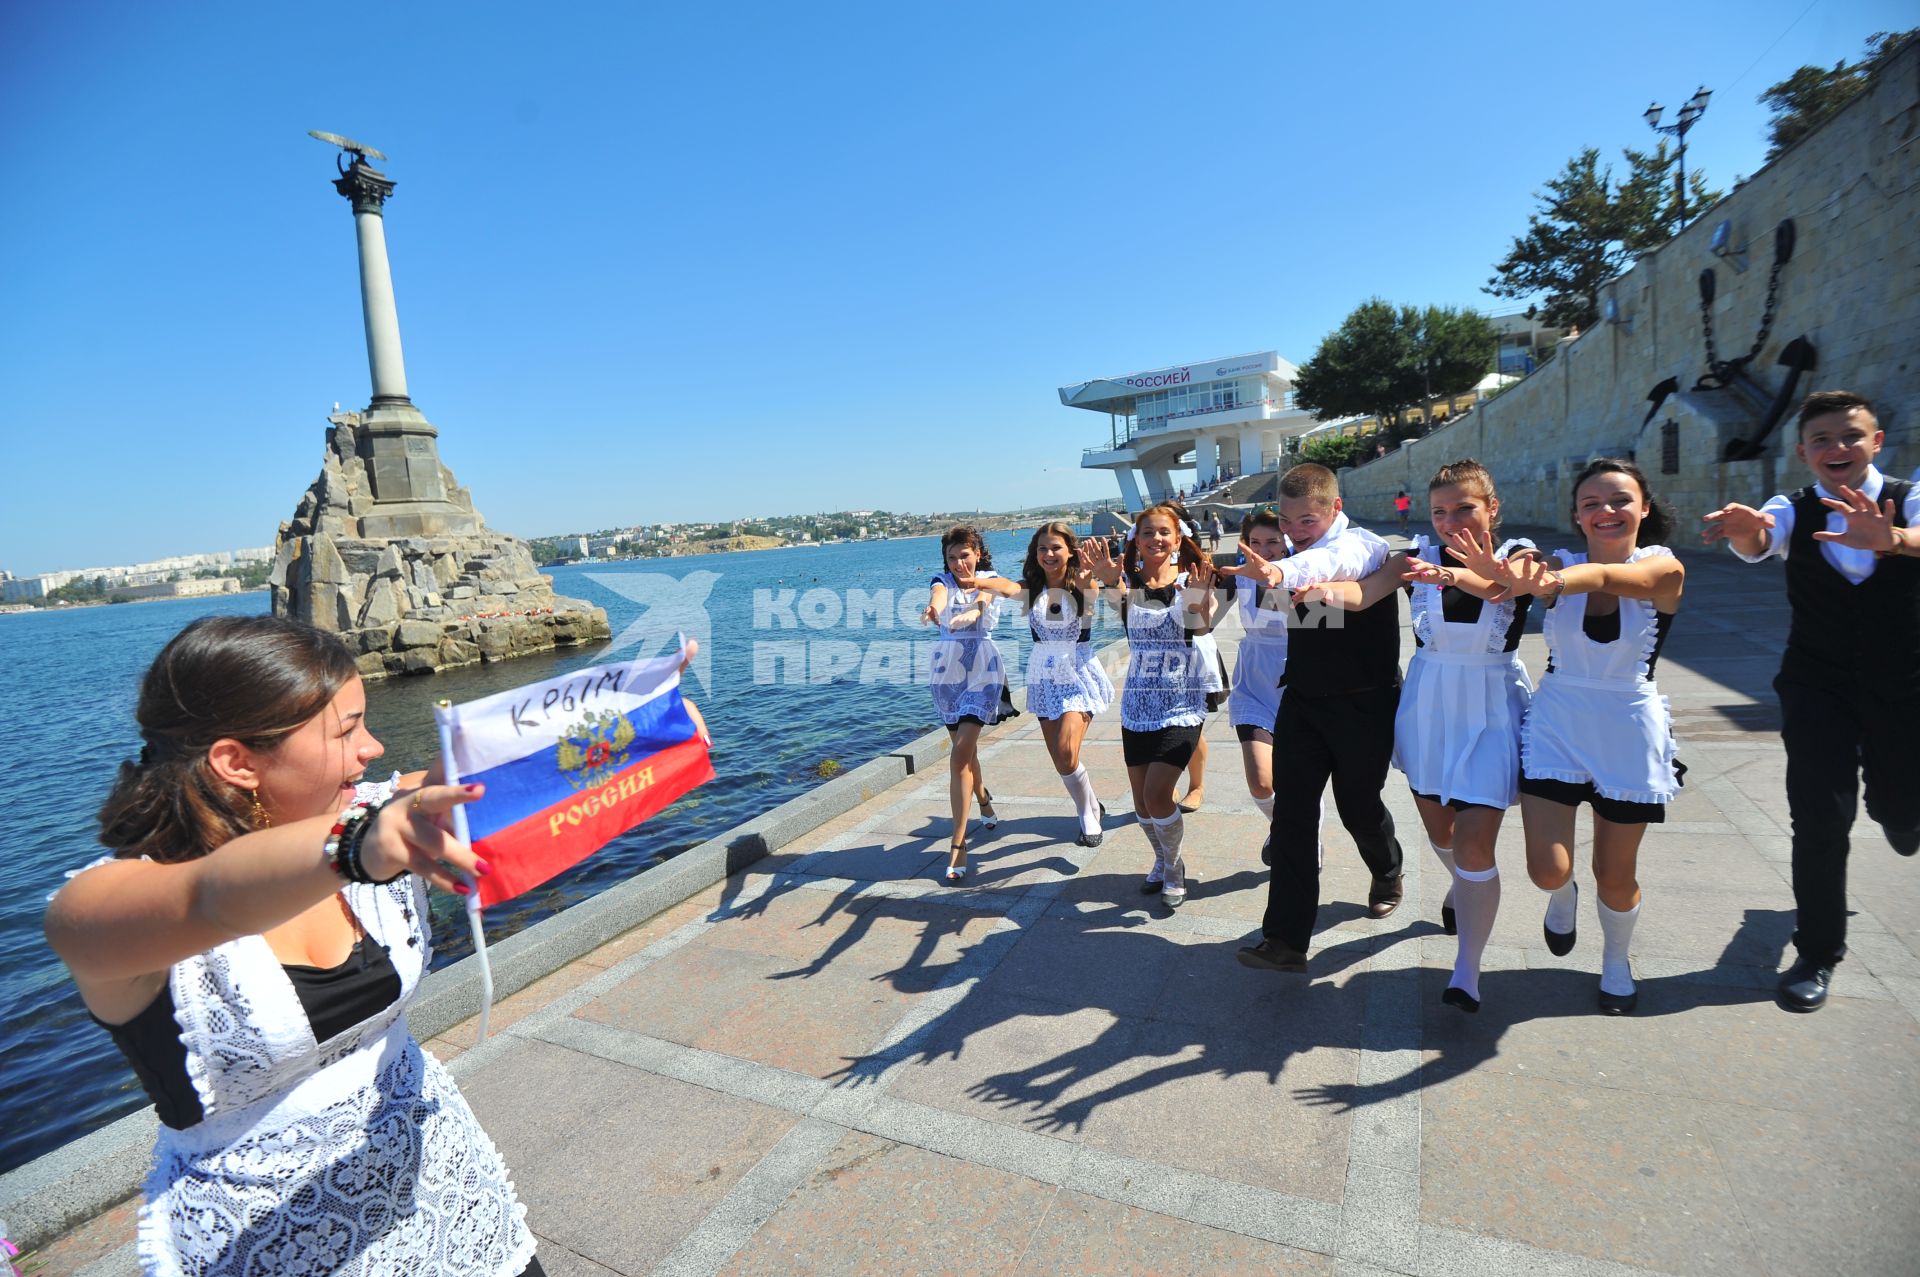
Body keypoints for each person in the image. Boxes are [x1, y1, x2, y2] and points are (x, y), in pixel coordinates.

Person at [42, 615, 545, 1276]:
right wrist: (356, 847)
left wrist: (643, 726)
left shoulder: (368, 812)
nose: (373, 747)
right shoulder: (97, 912)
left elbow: (499, 772)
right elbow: (209, 897)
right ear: (237, 761)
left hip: (441, 1188)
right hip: (271, 1240)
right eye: (347, 730)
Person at [1703, 390, 1920, 1012]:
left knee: (1902, 804)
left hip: (1903, 683)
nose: (1837, 448)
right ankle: (1819, 949)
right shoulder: (1792, 505)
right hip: (1816, 682)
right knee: (1820, 818)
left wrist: (1894, 539)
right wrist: (1748, 534)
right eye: (1821, 439)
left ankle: (1901, 809)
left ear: (1876, 442)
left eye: (1851, 435)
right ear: (1803, 452)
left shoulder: (1907, 497)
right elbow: (1764, 536)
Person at [1460, 458, 1685, 1015]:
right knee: (1547, 869)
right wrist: (1513, 569)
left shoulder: (1664, 568)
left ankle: (1616, 960)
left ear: (1644, 508)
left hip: (1629, 733)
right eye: (1591, 504)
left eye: (1619, 501)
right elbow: (1514, 575)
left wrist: (1553, 581)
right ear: (1577, 516)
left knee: (1615, 874)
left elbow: (1610, 579)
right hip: (1558, 725)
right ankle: (1563, 895)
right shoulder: (1557, 564)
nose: (1606, 511)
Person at [1331, 461, 1535, 1012]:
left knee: (1474, 841)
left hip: (1493, 704)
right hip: (1429, 706)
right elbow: (1364, 592)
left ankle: (1466, 971)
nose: (1450, 521)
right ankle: (1463, 886)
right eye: (1440, 511)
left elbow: (1503, 587)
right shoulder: (1415, 552)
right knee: (1441, 831)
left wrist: (1449, 575)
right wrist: (1293, 584)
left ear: (1492, 508)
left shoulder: (1522, 552)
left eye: (1465, 508)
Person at [1225, 464, 1396, 974]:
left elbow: (1330, 564)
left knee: (1357, 805)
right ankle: (1285, 940)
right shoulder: (1295, 560)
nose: (1295, 533)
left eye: (1306, 521)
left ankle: (1387, 871)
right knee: (1293, 816)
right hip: (1301, 700)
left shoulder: (1365, 547)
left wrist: (1278, 572)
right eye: (1288, 523)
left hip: (1363, 705)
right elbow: (1267, 611)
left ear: (1334, 509)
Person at [1084, 504, 1223, 906]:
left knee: (1159, 793)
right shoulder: (1127, 583)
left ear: (1177, 539)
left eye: (1164, 532)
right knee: (1142, 801)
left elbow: (1200, 625)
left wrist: (1197, 602)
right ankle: (1161, 858)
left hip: (1182, 702)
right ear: (1137, 540)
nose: (1156, 539)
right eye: (1148, 533)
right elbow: (1121, 610)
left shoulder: (1191, 580)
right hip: (1139, 705)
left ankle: (1175, 866)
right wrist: (1110, 581)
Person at [921, 526, 1021, 883]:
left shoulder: (988, 579)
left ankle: (958, 844)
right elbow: (938, 597)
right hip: (947, 673)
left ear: (978, 553)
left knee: (961, 754)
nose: (959, 562)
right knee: (966, 753)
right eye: (952, 556)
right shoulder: (942, 581)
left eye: (965, 554)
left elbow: (996, 595)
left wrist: (977, 609)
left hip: (982, 668)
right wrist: (932, 608)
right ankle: (982, 799)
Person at [1020, 522, 1114, 846]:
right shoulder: (1029, 588)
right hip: (1043, 676)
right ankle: (1091, 804)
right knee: (1062, 761)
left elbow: (1089, 600)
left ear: (1070, 551)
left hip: (1077, 675)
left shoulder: (1083, 584)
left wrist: (1091, 581)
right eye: (1043, 548)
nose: (1048, 553)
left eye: (1056, 547)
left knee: (1066, 750)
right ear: (1035, 553)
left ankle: (1088, 816)